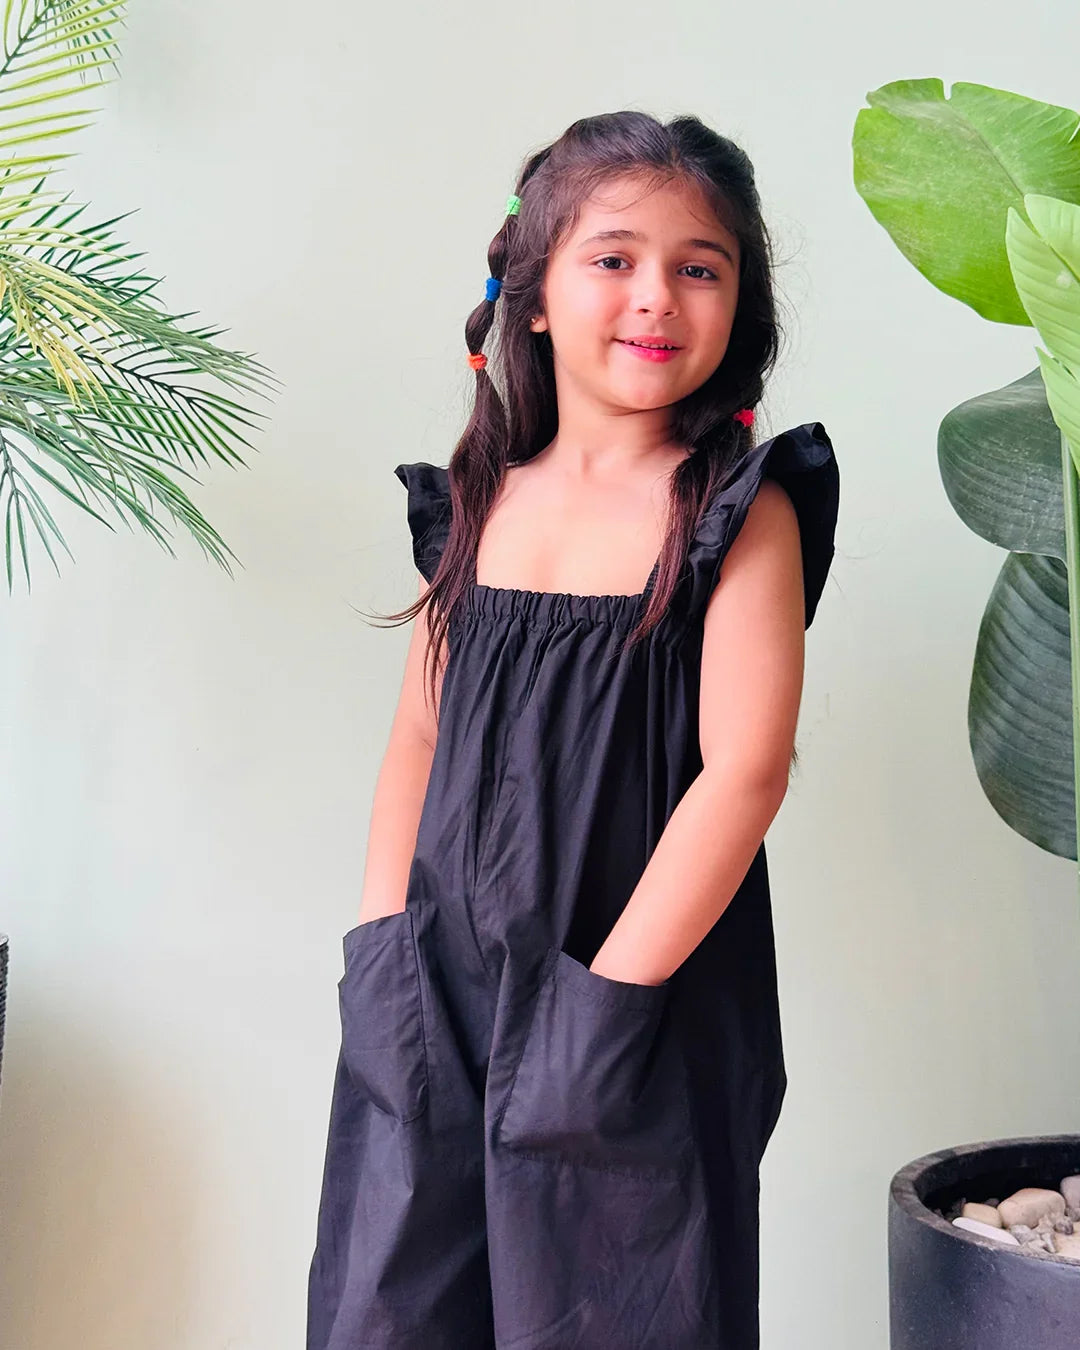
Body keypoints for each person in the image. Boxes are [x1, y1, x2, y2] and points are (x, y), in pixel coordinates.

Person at [306, 108, 840, 1350]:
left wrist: (604, 1007)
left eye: (698, 267)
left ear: (739, 306)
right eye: (614, 258)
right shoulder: (479, 499)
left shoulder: (733, 510)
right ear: (533, 294)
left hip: (634, 999)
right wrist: (385, 948)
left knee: (617, 1308)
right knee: (397, 1299)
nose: (656, 295)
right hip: (435, 995)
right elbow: (420, 744)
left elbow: (744, 773)